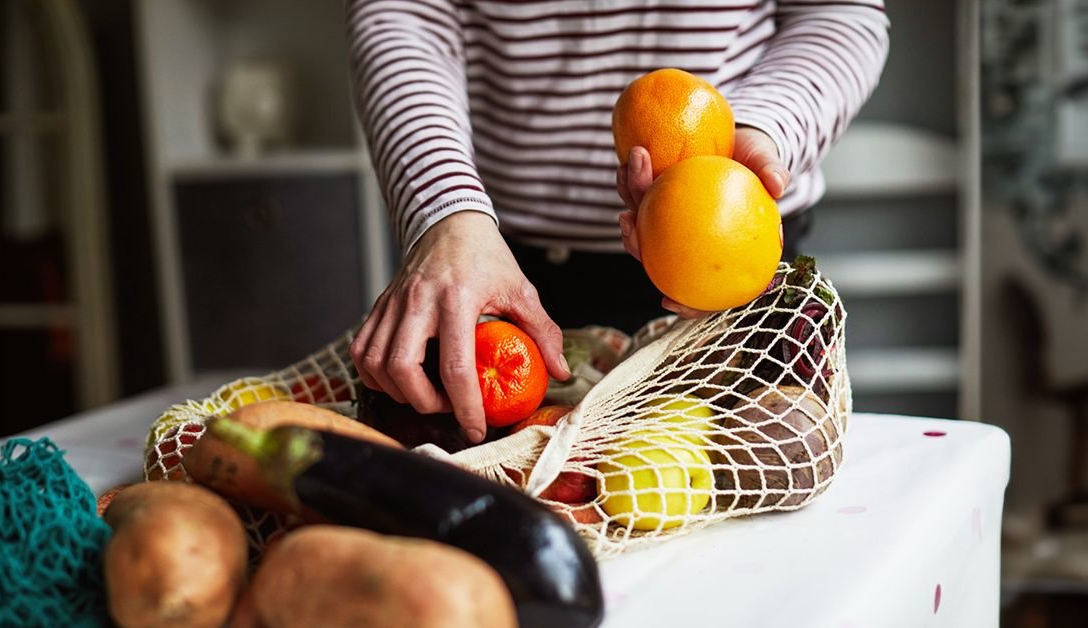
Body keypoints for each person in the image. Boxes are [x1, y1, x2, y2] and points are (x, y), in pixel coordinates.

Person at [348, 1, 890, 444]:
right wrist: (445, 209)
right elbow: (403, 14)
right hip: (497, 272)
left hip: (736, 250)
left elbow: (840, 11)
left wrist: (759, 129)